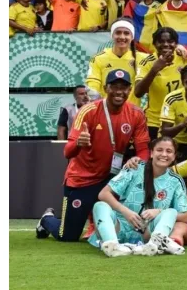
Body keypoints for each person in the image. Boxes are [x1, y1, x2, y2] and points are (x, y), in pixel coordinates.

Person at [35, 69, 150, 242]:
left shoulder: (136, 114)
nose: (119, 91)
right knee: (67, 236)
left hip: (112, 179)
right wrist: (78, 143)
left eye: (124, 87)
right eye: (114, 86)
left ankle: (100, 224)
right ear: (105, 88)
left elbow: (144, 150)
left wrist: (138, 159)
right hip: (82, 179)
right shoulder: (88, 111)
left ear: (130, 90)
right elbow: (68, 151)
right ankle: (46, 219)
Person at [88, 137, 187, 257]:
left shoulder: (176, 181)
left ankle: (155, 243)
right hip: (120, 224)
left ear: (174, 156)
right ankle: (112, 245)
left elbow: (186, 216)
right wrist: (126, 212)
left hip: (146, 232)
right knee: (100, 205)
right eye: (159, 150)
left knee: (171, 211)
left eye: (169, 151)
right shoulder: (135, 168)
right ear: (151, 153)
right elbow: (103, 194)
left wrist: (158, 211)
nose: (163, 154)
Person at [135, 28, 187, 140]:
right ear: (154, 44)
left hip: (180, 120)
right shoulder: (146, 63)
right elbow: (138, 92)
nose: (165, 44)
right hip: (155, 121)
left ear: (176, 44)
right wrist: (154, 70)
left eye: (170, 41)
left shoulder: (184, 58)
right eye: (161, 41)